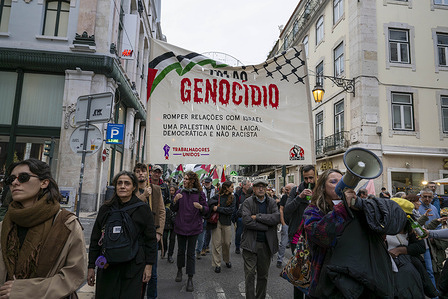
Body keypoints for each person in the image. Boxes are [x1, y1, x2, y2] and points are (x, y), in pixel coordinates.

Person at [303, 169, 406, 298]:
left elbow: (395, 220)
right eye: (333, 182)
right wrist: (342, 208)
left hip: (358, 277)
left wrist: (363, 206)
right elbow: (321, 235)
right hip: (327, 280)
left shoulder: (358, 206)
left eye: (342, 182)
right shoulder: (312, 210)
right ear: (323, 187)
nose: (338, 185)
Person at [0, 158, 87, 298]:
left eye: (23, 177)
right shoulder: (4, 225)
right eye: (11, 179)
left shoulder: (66, 223)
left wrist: (26, 290)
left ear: (44, 182)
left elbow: (74, 275)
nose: (15, 183)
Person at [88, 171, 157, 298]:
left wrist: (149, 265)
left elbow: (150, 240)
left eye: (127, 183)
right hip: (108, 266)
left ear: (134, 187)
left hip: (133, 266)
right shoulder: (106, 209)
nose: (122, 186)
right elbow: (95, 238)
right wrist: (91, 266)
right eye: (119, 183)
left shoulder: (143, 209)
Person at [241, 179, 280, 299]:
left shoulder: (272, 202)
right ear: (253, 189)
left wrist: (258, 217)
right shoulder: (247, 202)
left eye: (263, 186)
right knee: (250, 275)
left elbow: (276, 218)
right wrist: (265, 226)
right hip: (250, 244)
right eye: (258, 186)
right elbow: (246, 221)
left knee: (263, 276)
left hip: (266, 245)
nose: (261, 189)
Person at [171, 171, 209, 292]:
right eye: (184, 179)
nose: (185, 181)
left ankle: (190, 278)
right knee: (181, 251)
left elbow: (206, 209)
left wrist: (201, 207)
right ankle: (179, 270)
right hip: (181, 226)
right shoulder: (179, 192)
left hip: (194, 227)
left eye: (187, 179)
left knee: (191, 253)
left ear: (192, 181)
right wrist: (175, 200)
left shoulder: (199, 194)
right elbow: (173, 208)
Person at [134, 163, 165, 299]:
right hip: (134, 238)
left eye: (143, 171)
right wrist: (144, 196)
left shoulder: (156, 190)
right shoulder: (131, 189)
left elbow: (162, 212)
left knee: (152, 273)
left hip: (151, 237)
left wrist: (159, 232)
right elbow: (130, 208)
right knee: (135, 272)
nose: (141, 174)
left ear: (147, 174)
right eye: (138, 171)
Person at [208, 181, 236, 273]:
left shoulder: (233, 197)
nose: (233, 188)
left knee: (227, 243)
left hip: (227, 222)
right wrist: (214, 207)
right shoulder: (217, 196)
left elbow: (231, 210)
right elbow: (209, 203)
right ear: (226, 188)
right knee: (216, 243)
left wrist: (218, 208)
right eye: (231, 186)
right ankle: (217, 264)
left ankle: (227, 260)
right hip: (216, 222)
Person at [277, 183, 295, 269]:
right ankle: (280, 260)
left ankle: (295, 261)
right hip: (286, 223)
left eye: (288, 189)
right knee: (283, 243)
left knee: (295, 244)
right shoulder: (284, 197)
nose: (285, 191)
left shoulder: (297, 197)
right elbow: (281, 209)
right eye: (285, 189)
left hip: (295, 224)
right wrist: (283, 222)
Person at [197, 176, 215, 257]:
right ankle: (203, 248)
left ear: (211, 183)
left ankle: (206, 245)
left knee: (209, 231)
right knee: (204, 230)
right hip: (204, 212)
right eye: (206, 182)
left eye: (208, 182)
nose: (207, 184)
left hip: (211, 212)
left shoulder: (215, 190)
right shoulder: (201, 190)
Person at [233, 179, 252, 254]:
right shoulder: (238, 194)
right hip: (240, 216)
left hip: (250, 215)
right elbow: (235, 206)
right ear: (243, 186)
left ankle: (247, 246)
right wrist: (235, 217)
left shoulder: (251, 193)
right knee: (239, 232)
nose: (249, 186)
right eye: (248, 185)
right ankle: (237, 246)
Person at [164, 185, 177, 263]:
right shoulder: (166, 199)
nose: (172, 192)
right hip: (166, 221)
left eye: (173, 190)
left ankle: (170, 255)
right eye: (170, 190)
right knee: (164, 238)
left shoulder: (177, 198)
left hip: (174, 222)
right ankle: (164, 249)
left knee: (172, 239)